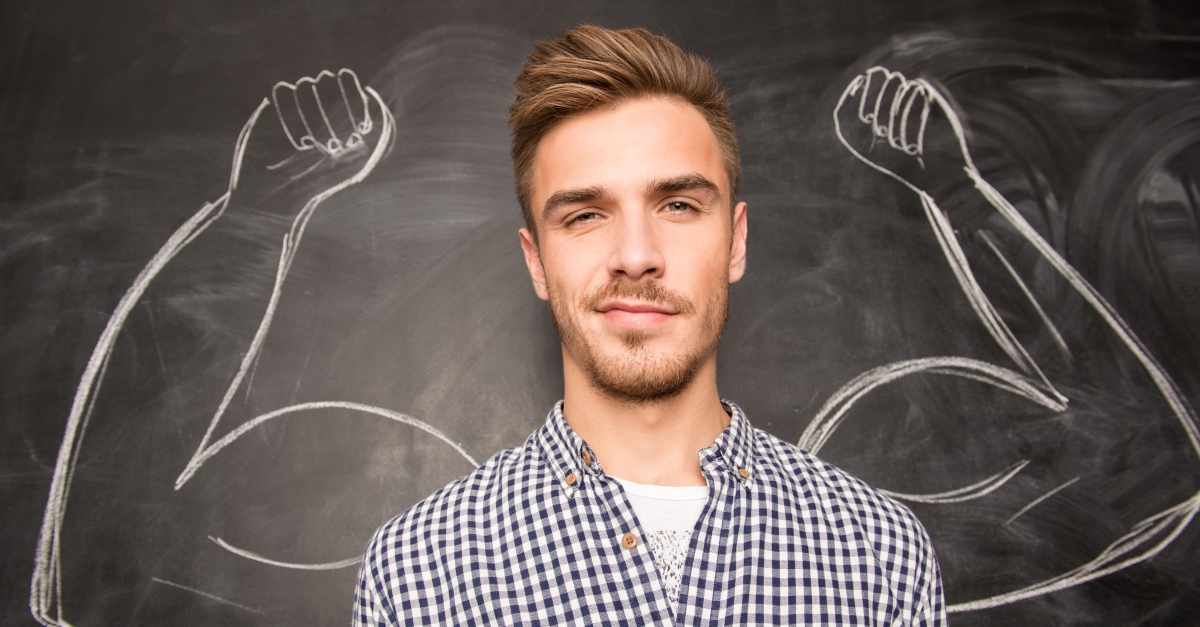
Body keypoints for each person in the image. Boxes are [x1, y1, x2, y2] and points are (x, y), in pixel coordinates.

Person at [354, 25, 946, 625]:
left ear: (736, 240)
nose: (636, 255)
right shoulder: (416, 575)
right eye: (585, 215)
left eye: (679, 205)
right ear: (536, 261)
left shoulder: (880, 555)